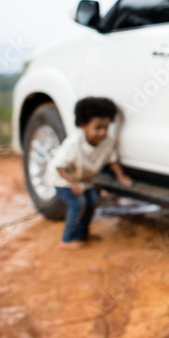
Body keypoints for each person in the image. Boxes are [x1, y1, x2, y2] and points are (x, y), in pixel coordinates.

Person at [48, 96, 133, 249]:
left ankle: (82, 234)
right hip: (63, 180)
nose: (102, 132)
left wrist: (121, 177)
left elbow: (112, 160)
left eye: (106, 127)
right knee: (78, 203)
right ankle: (67, 239)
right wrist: (73, 183)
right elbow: (59, 167)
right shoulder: (74, 144)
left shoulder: (107, 142)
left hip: (83, 180)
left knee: (92, 201)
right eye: (98, 127)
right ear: (83, 126)